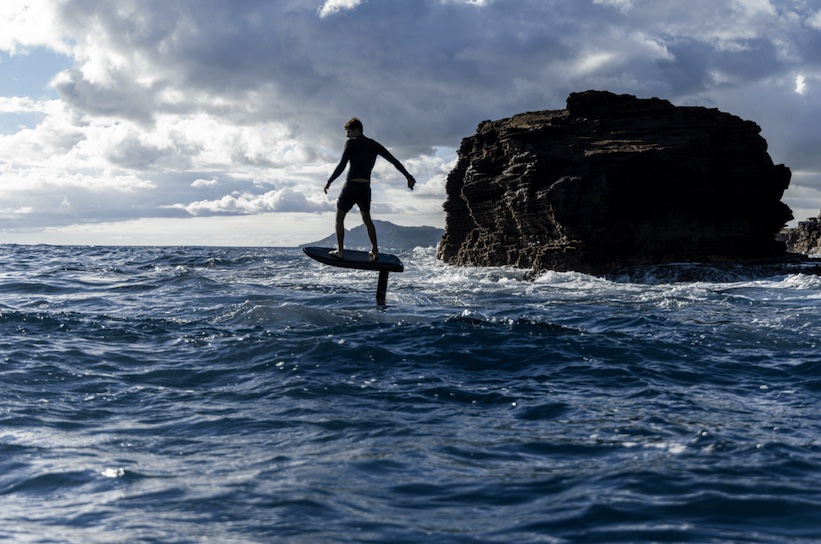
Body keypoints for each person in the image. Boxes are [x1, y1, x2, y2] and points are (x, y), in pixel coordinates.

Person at [324, 117, 415, 261]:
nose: (347, 135)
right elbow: (394, 161)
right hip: (365, 188)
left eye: (348, 132)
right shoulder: (374, 145)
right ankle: (375, 251)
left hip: (351, 186)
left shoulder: (350, 143)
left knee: (339, 217)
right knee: (367, 219)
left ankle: (340, 251)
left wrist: (330, 181)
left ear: (356, 129)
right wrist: (408, 176)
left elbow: (342, 165)